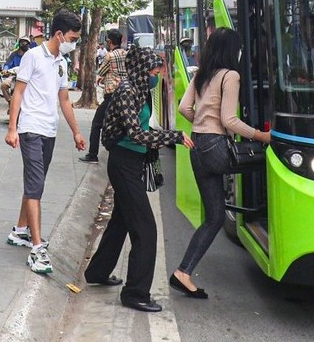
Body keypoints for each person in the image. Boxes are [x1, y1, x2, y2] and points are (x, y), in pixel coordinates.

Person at [83, 46, 194, 313]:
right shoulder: (126, 91)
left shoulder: (140, 89)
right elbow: (136, 134)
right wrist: (173, 137)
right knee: (145, 230)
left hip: (131, 163)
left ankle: (97, 272)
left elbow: (144, 128)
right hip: (122, 164)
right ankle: (135, 293)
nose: (158, 75)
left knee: (121, 221)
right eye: (155, 71)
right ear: (142, 70)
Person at [172, 28, 270, 299]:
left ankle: (183, 272)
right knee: (268, 161)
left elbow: (183, 108)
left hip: (197, 147)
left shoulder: (202, 73)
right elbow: (229, 121)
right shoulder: (231, 75)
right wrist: (262, 136)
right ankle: (266, 211)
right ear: (232, 50)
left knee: (215, 217)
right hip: (216, 149)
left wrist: (202, 125)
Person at [5, 9, 87, 274]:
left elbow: (64, 100)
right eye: (72, 38)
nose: (73, 43)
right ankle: (37, 249)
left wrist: (75, 131)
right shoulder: (32, 56)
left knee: (34, 182)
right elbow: (18, 93)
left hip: (49, 131)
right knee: (36, 185)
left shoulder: (61, 62)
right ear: (60, 34)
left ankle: (20, 231)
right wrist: (12, 129)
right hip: (30, 128)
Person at [79, 29, 126, 163]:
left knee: (96, 124)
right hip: (125, 95)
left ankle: (92, 154)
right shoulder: (127, 54)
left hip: (112, 95)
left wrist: (103, 78)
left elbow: (102, 72)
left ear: (109, 41)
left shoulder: (109, 56)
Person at [1, 35, 31, 104]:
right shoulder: (14, 54)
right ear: (19, 44)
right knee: (4, 85)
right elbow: (7, 64)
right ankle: (10, 101)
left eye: (26, 43)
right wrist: (5, 69)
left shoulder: (32, 54)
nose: (24, 45)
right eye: (22, 43)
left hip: (28, 77)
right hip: (14, 75)